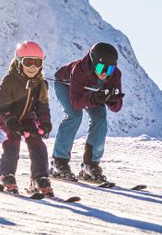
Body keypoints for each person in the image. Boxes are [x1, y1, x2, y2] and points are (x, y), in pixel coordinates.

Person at [51, 42, 124, 183]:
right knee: (74, 116)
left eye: (109, 69)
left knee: (100, 118)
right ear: (93, 62)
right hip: (66, 85)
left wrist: (111, 100)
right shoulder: (79, 70)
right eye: (101, 67)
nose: (104, 73)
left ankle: (90, 165)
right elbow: (76, 103)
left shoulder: (115, 74)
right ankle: (59, 162)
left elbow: (117, 108)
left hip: (92, 92)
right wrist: (95, 98)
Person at [0, 41, 54, 196]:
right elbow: (3, 105)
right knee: (13, 138)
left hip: (26, 118)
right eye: (28, 62)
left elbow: (42, 107)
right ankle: (5, 176)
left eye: (37, 63)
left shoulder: (41, 84)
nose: (33, 67)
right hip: (5, 115)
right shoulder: (10, 80)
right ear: (19, 62)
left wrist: (44, 123)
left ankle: (40, 177)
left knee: (36, 141)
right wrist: (9, 120)